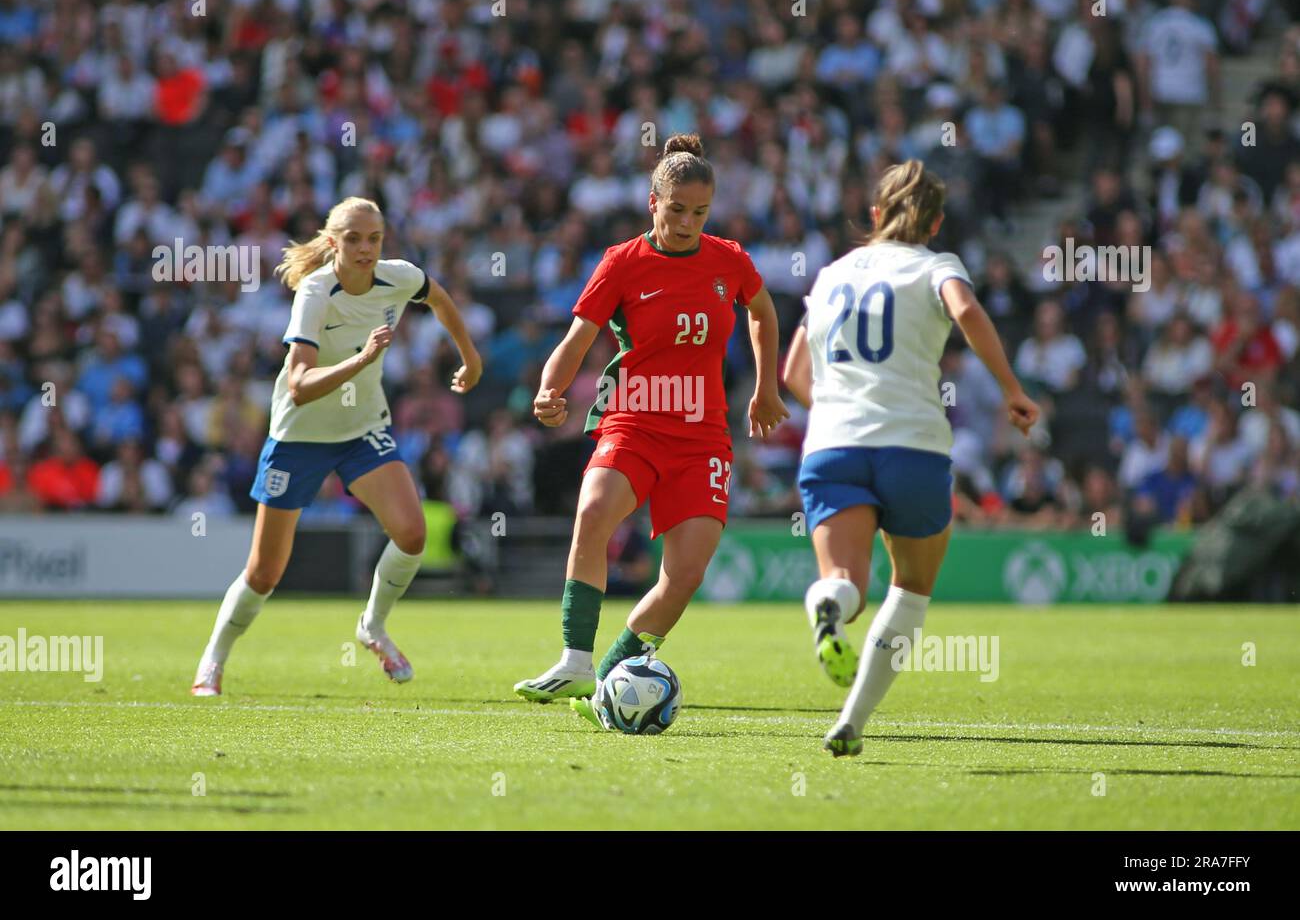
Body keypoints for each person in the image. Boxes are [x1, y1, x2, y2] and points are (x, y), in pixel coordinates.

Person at [511, 133, 788, 728]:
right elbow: (576, 340)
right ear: (653, 202)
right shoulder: (622, 262)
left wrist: (766, 387)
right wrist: (549, 389)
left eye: (700, 212)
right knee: (593, 513)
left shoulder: (729, 260)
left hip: (703, 436)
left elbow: (763, 311)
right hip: (634, 420)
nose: (688, 221)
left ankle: (612, 678)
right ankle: (576, 660)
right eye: (678, 208)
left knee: (684, 575)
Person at [783, 161, 1040, 756]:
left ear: (875, 215)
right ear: (936, 224)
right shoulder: (938, 266)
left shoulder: (830, 275)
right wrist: (1011, 390)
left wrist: (840, 407)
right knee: (912, 589)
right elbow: (967, 311)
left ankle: (827, 606)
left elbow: (794, 373)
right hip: (912, 446)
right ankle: (852, 720)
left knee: (846, 581)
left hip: (833, 445)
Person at [190, 197, 482, 696]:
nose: (365, 248)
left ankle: (372, 625)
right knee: (264, 573)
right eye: (353, 239)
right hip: (298, 435)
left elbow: (439, 299)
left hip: (362, 431)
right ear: (333, 243)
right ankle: (213, 661)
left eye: (374, 238)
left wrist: (470, 357)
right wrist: (364, 358)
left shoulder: (400, 276)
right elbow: (300, 383)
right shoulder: (315, 292)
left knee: (411, 535)